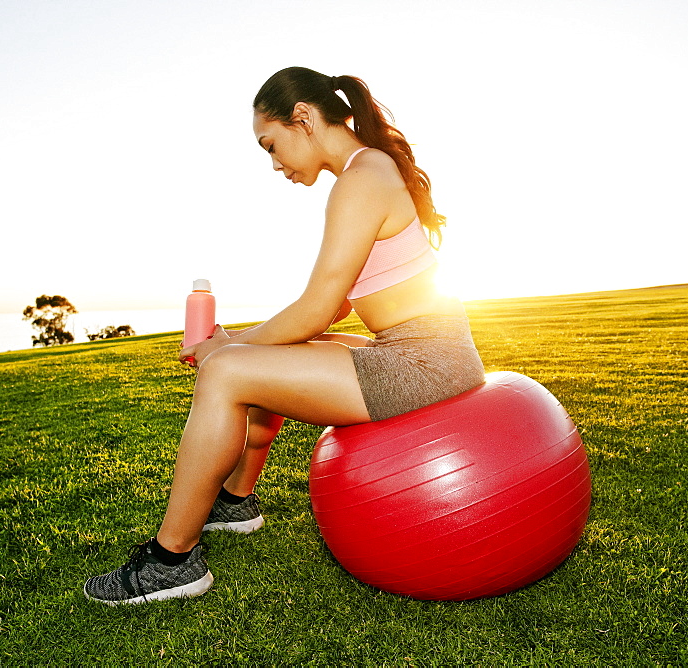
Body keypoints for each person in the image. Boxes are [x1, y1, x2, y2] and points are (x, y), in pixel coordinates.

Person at [84, 67, 485, 605]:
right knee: (257, 356)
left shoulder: (362, 178)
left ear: (304, 119)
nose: (274, 163)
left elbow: (319, 309)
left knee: (229, 372)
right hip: (421, 349)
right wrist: (243, 339)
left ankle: (172, 561)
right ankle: (236, 502)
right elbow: (338, 303)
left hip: (425, 360)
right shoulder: (367, 172)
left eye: (272, 145)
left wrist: (227, 348)